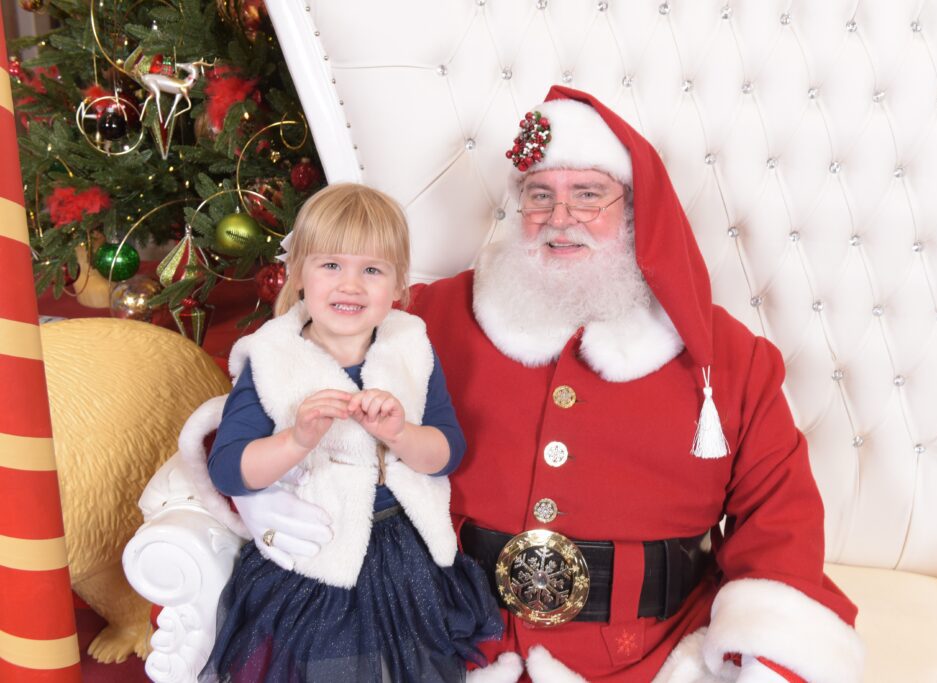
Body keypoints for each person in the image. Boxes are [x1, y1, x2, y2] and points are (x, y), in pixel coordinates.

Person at [226, 88, 864, 682]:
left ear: (638, 212)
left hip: (649, 655)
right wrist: (256, 487)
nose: (561, 217)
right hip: (449, 643)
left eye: (589, 194)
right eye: (539, 195)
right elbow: (283, 374)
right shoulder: (424, 318)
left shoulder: (729, 358)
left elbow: (781, 526)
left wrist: (764, 654)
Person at [199, 183, 502, 682]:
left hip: (406, 554)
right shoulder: (272, 357)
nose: (351, 285)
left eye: (372, 270)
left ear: (399, 285)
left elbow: (447, 453)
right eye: (331, 265)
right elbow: (231, 470)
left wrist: (401, 433)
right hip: (317, 559)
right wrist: (296, 440)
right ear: (298, 273)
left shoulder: (412, 346)